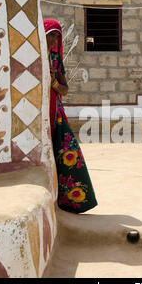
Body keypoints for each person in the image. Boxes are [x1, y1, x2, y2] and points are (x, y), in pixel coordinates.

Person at [44, 19, 97, 214]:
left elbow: (64, 90)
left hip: (56, 113)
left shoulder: (56, 60)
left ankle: (72, 201)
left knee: (67, 153)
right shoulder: (33, 58)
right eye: (51, 34)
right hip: (41, 113)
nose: (54, 39)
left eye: (57, 35)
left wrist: (54, 82)